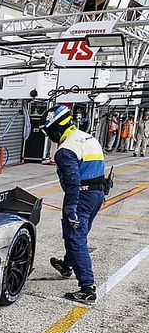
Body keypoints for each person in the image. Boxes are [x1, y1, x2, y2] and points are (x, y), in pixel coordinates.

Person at [41, 106, 107, 304]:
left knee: (76, 238)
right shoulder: (87, 138)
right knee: (78, 234)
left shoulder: (65, 150)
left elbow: (72, 181)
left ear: (56, 128)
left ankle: (87, 288)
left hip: (81, 197)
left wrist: (71, 207)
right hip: (97, 194)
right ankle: (67, 265)